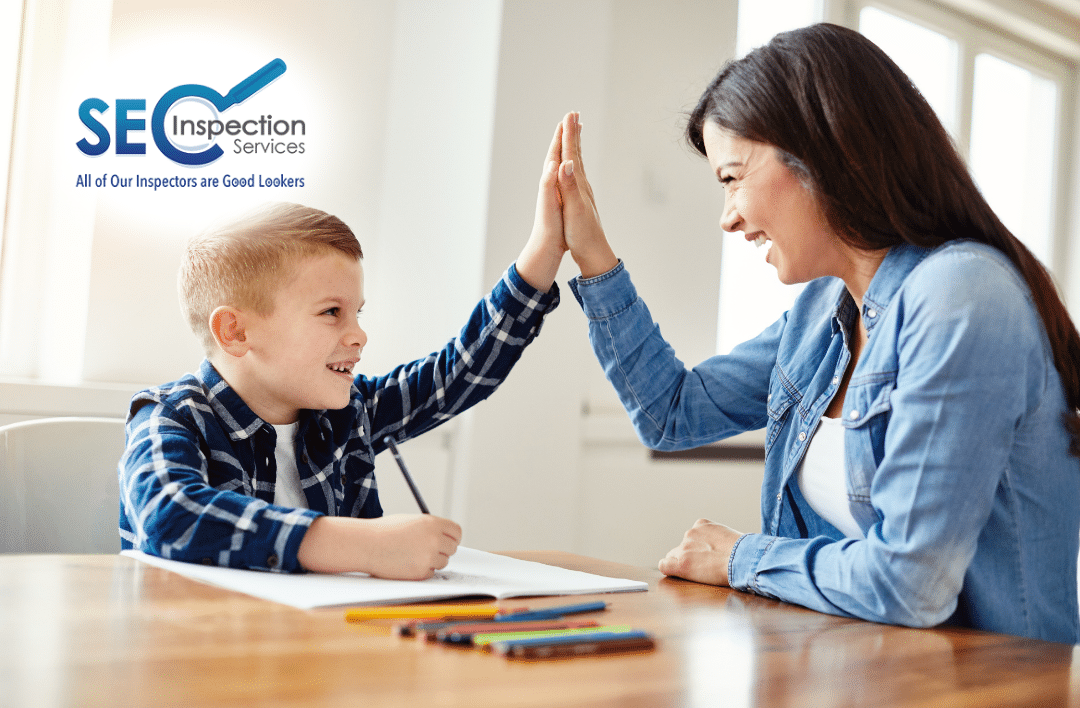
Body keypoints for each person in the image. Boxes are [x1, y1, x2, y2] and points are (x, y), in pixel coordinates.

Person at [553, 24, 1080, 644]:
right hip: (854, 680)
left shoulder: (961, 296)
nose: (729, 217)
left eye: (732, 178)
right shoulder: (823, 314)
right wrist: (592, 255)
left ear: (821, 155)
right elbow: (672, 414)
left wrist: (738, 558)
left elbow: (909, 583)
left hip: (991, 704)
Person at [120, 125, 568, 580]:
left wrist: (545, 250)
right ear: (235, 332)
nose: (359, 336)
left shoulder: (350, 411)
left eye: (358, 313)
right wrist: (364, 546)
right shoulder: (172, 416)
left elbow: (458, 373)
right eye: (331, 312)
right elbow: (169, 514)